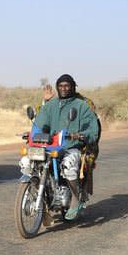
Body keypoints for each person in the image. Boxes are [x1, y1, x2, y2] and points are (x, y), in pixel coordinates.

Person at [35, 74, 100, 220]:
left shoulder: (82, 105)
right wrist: (33, 132)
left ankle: (75, 199)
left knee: (69, 165)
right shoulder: (51, 104)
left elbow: (92, 128)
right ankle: (44, 199)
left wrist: (81, 135)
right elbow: (40, 121)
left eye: (67, 86)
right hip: (52, 146)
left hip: (72, 146)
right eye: (60, 86)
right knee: (30, 162)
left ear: (72, 87)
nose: (63, 89)